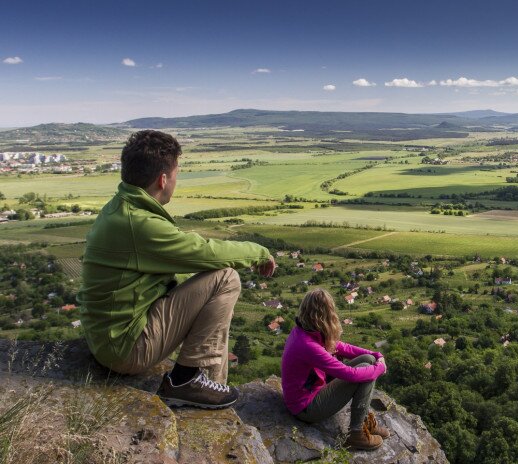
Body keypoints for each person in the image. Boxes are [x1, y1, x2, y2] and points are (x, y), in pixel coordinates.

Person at [78, 130, 276, 409]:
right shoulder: (138, 223)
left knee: (214, 280)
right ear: (163, 179)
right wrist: (259, 252)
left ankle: (207, 383)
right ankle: (186, 380)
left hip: (110, 338)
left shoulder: (119, 209)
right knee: (225, 278)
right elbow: (206, 253)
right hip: (126, 348)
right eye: (176, 174)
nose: (175, 181)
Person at [281, 288, 390, 450]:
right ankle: (356, 433)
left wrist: (374, 354)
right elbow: (350, 374)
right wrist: (379, 368)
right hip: (306, 407)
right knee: (367, 372)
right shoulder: (307, 345)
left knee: (369, 360)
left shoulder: (304, 330)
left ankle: (365, 421)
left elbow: (339, 346)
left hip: (312, 391)